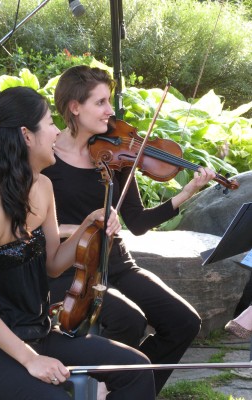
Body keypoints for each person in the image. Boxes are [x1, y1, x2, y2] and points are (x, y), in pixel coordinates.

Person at [0, 86, 156, 400]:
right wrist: (30, 359)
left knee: (137, 370)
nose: (56, 131)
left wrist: (88, 226)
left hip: (41, 331)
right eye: (50, 123)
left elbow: (52, 265)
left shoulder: (43, 186)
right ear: (26, 134)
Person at [41, 65, 217, 396]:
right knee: (129, 320)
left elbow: (136, 223)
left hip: (118, 264)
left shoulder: (114, 153)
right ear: (75, 107)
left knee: (184, 322)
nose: (111, 110)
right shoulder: (47, 158)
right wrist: (82, 226)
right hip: (71, 267)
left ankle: (127, 389)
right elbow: (33, 225)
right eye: (101, 102)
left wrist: (186, 192)